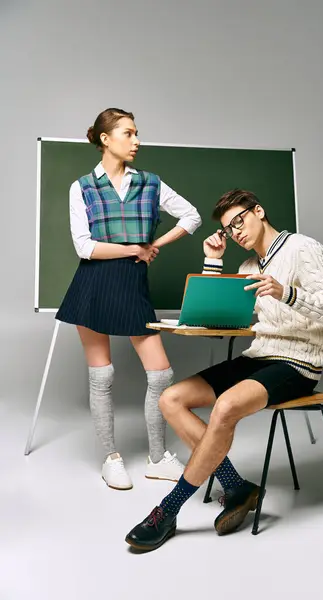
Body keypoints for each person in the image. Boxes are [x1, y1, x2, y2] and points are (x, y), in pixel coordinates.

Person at [125, 188, 323, 550]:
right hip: (259, 356)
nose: (236, 232)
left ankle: (168, 510)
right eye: (229, 229)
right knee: (171, 399)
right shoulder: (247, 267)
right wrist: (213, 261)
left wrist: (286, 293)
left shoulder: (303, 248)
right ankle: (236, 486)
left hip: (299, 362)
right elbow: (214, 321)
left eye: (239, 221)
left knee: (226, 406)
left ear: (258, 211)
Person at [56, 108, 202, 490]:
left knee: (162, 375)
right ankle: (111, 458)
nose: (137, 140)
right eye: (128, 133)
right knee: (102, 376)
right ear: (105, 138)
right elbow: (84, 247)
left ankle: (157, 458)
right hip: (92, 287)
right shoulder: (82, 186)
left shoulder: (151, 183)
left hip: (133, 288)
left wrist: (153, 245)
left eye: (137, 133)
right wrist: (134, 250)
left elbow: (191, 217)